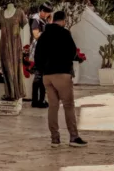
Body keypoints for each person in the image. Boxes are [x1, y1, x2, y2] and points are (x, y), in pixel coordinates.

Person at [33, 10, 87, 148]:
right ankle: (73, 137)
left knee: (53, 107)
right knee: (68, 105)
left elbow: (37, 56)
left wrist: (42, 70)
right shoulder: (65, 33)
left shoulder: (44, 35)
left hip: (47, 76)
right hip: (62, 73)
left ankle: (55, 139)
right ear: (63, 20)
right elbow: (72, 51)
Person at [30, 4, 52, 109]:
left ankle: (41, 99)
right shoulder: (35, 19)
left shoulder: (44, 20)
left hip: (44, 50)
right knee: (39, 76)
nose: (48, 15)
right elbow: (36, 34)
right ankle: (36, 100)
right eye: (47, 13)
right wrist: (47, 31)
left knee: (43, 76)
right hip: (38, 50)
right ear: (42, 11)